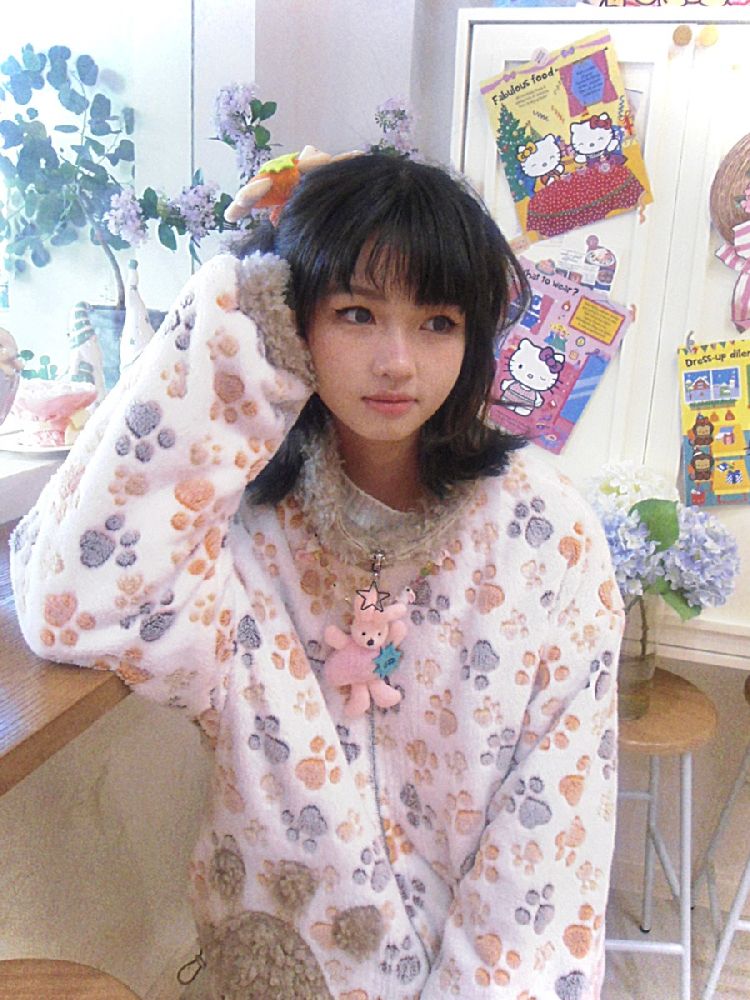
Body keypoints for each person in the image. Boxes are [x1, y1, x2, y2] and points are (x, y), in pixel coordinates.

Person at [10, 153, 623, 1000]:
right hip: (276, 970)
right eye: (356, 313)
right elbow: (73, 604)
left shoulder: (547, 537)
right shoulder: (236, 526)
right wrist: (242, 308)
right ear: (295, 322)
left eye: (438, 322)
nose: (397, 361)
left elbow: (548, 850)